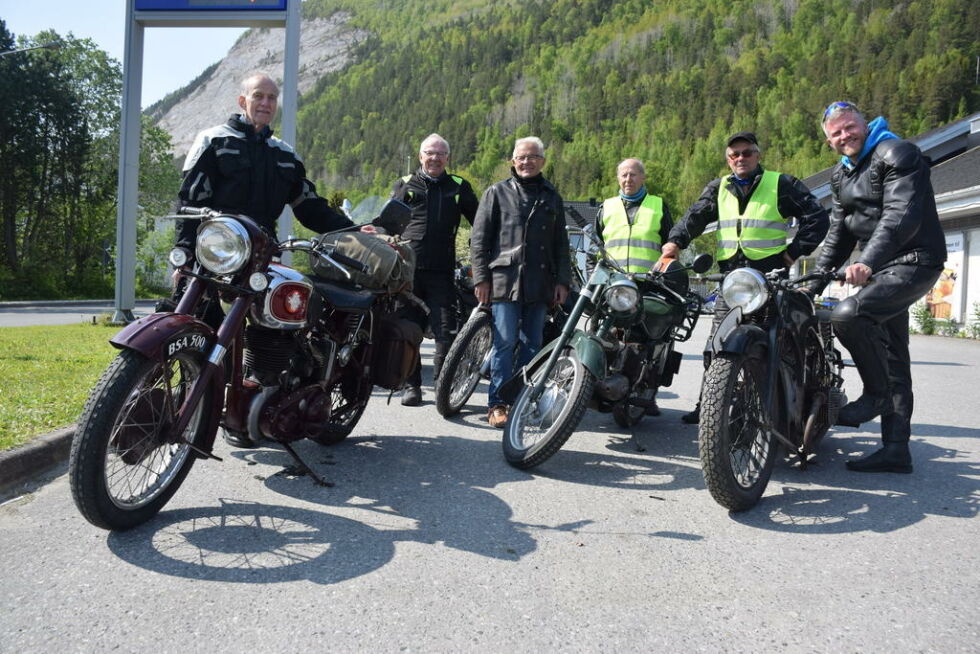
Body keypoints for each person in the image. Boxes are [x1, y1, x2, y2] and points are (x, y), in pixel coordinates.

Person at [174, 72, 353, 447]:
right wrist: (185, 257)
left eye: (272, 98)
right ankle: (188, 398)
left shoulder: (284, 155)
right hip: (217, 253)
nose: (266, 103)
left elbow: (309, 206)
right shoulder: (214, 140)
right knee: (188, 324)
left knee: (273, 321)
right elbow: (189, 202)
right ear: (243, 101)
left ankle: (263, 391)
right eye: (259, 96)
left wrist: (351, 228)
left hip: (262, 253)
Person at [809, 101, 946, 473]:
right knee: (895, 359)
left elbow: (900, 215)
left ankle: (875, 394)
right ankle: (896, 451)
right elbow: (838, 233)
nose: (844, 135)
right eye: (835, 133)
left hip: (916, 259)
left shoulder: (897, 153)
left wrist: (867, 261)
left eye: (850, 127)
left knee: (850, 315)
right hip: (882, 269)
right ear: (829, 141)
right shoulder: (841, 175)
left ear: (865, 125)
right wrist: (814, 281)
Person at [657, 131, 829, 424]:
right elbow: (694, 217)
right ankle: (710, 406)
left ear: (757, 155)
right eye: (734, 154)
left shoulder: (781, 183)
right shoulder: (719, 187)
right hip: (732, 281)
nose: (740, 158)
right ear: (728, 159)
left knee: (775, 343)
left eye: (746, 153)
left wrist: (793, 253)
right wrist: (674, 243)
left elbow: (817, 217)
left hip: (770, 278)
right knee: (717, 344)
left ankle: (775, 408)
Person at [471, 137, 572, 428]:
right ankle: (497, 404)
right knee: (504, 344)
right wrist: (481, 277)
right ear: (513, 161)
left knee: (533, 346)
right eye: (521, 157)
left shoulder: (552, 197)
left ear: (542, 161)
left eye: (532, 157)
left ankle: (522, 401)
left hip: (541, 283)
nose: (526, 162)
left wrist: (562, 281)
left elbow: (561, 245)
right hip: (504, 280)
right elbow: (479, 240)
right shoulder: (496, 193)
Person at [389, 134, 479, 406]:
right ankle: (411, 386)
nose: (435, 158)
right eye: (430, 153)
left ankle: (443, 385)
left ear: (447, 158)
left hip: (442, 272)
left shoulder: (459, 186)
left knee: (445, 330)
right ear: (420, 156)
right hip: (408, 272)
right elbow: (387, 222)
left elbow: (481, 222)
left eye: (440, 154)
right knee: (409, 329)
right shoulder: (405, 184)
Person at [594, 158, 674, 416]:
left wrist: (662, 274)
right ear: (618, 179)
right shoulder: (606, 207)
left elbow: (670, 246)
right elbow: (597, 245)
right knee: (603, 334)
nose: (628, 180)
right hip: (614, 283)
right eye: (624, 175)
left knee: (652, 340)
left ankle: (648, 393)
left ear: (643, 178)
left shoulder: (659, 205)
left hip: (648, 283)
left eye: (633, 175)